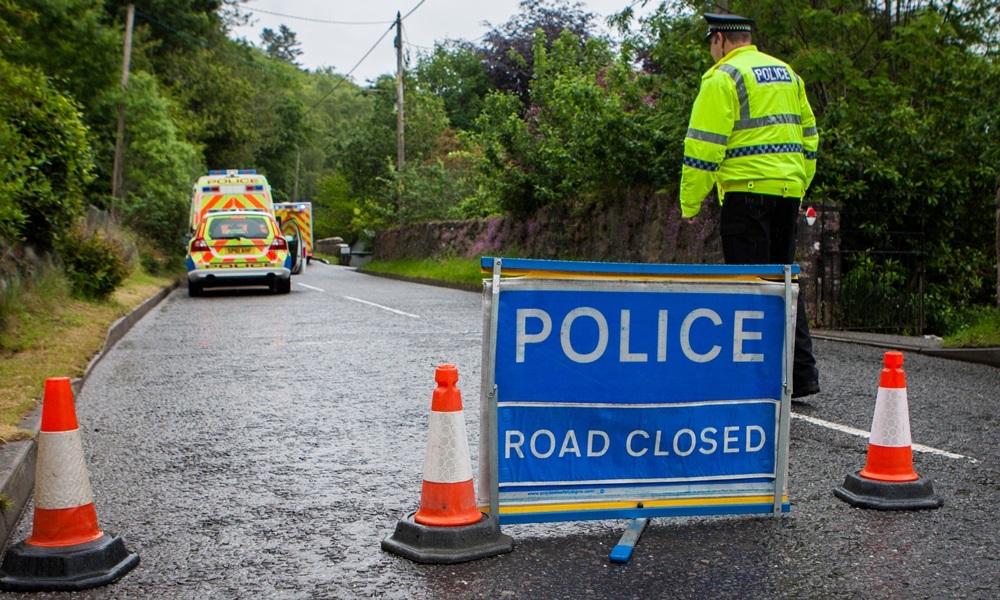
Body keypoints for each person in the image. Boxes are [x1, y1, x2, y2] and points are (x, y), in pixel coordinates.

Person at [679, 13, 820, 399]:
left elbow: (703, 146)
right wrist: (797, 183)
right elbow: (810, 137)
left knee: (749, 287)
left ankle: (753, 381)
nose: (712, 54)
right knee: (784, 283)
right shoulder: (788, 74)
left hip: (746, 194)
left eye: (711, 46)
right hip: (787, 192)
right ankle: (802, 374)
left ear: (720, 39)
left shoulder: (724, 77)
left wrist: (690, 204)